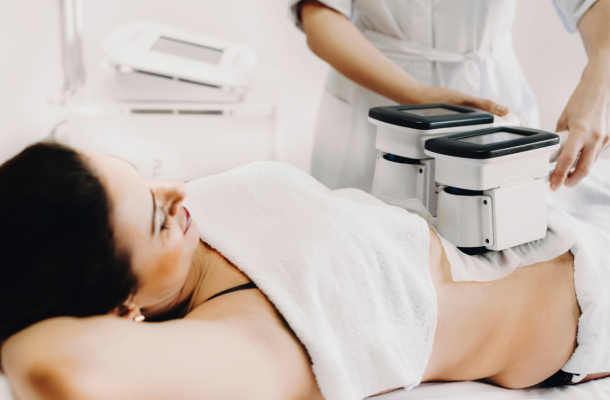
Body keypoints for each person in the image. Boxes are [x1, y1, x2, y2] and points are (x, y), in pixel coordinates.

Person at [0, 142, 608, 400]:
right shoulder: (253, 339)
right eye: (158, 216)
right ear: (119, 307)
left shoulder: (182, 234)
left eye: (143, 176)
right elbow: (56, 366)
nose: (176, 189)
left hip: (536, 213)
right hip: (582, 301)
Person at [289, 0, 610, 193]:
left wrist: (598, 78)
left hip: (491, 99)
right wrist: (416, 94)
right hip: (373, 101)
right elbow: (318, 12)